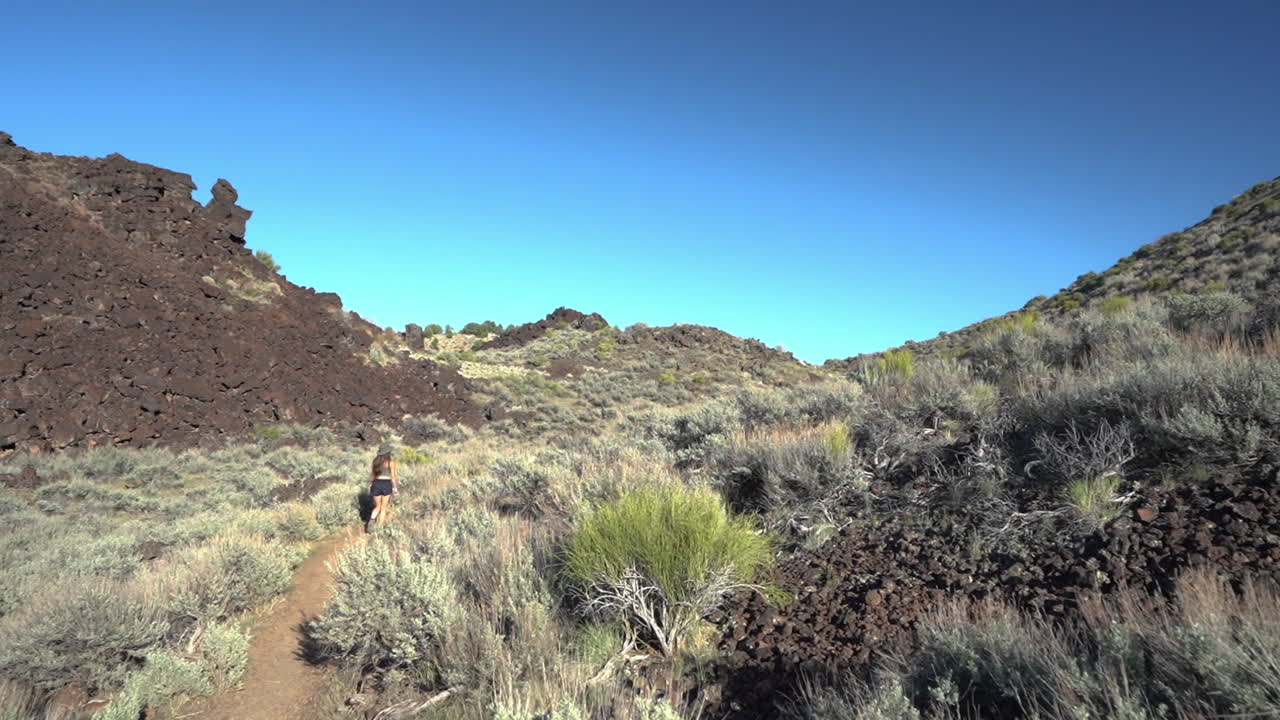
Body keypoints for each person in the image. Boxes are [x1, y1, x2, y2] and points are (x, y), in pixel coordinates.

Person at [367, 448, 398, 532]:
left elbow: (373, 475)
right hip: (386, 484)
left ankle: (371, 520)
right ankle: (379, 528)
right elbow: (393, 476)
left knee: (377, 506)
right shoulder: (390, 462)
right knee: (383, 508)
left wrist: (371, 484)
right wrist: (395, 488)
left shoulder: (375, 461)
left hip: (376, 483)